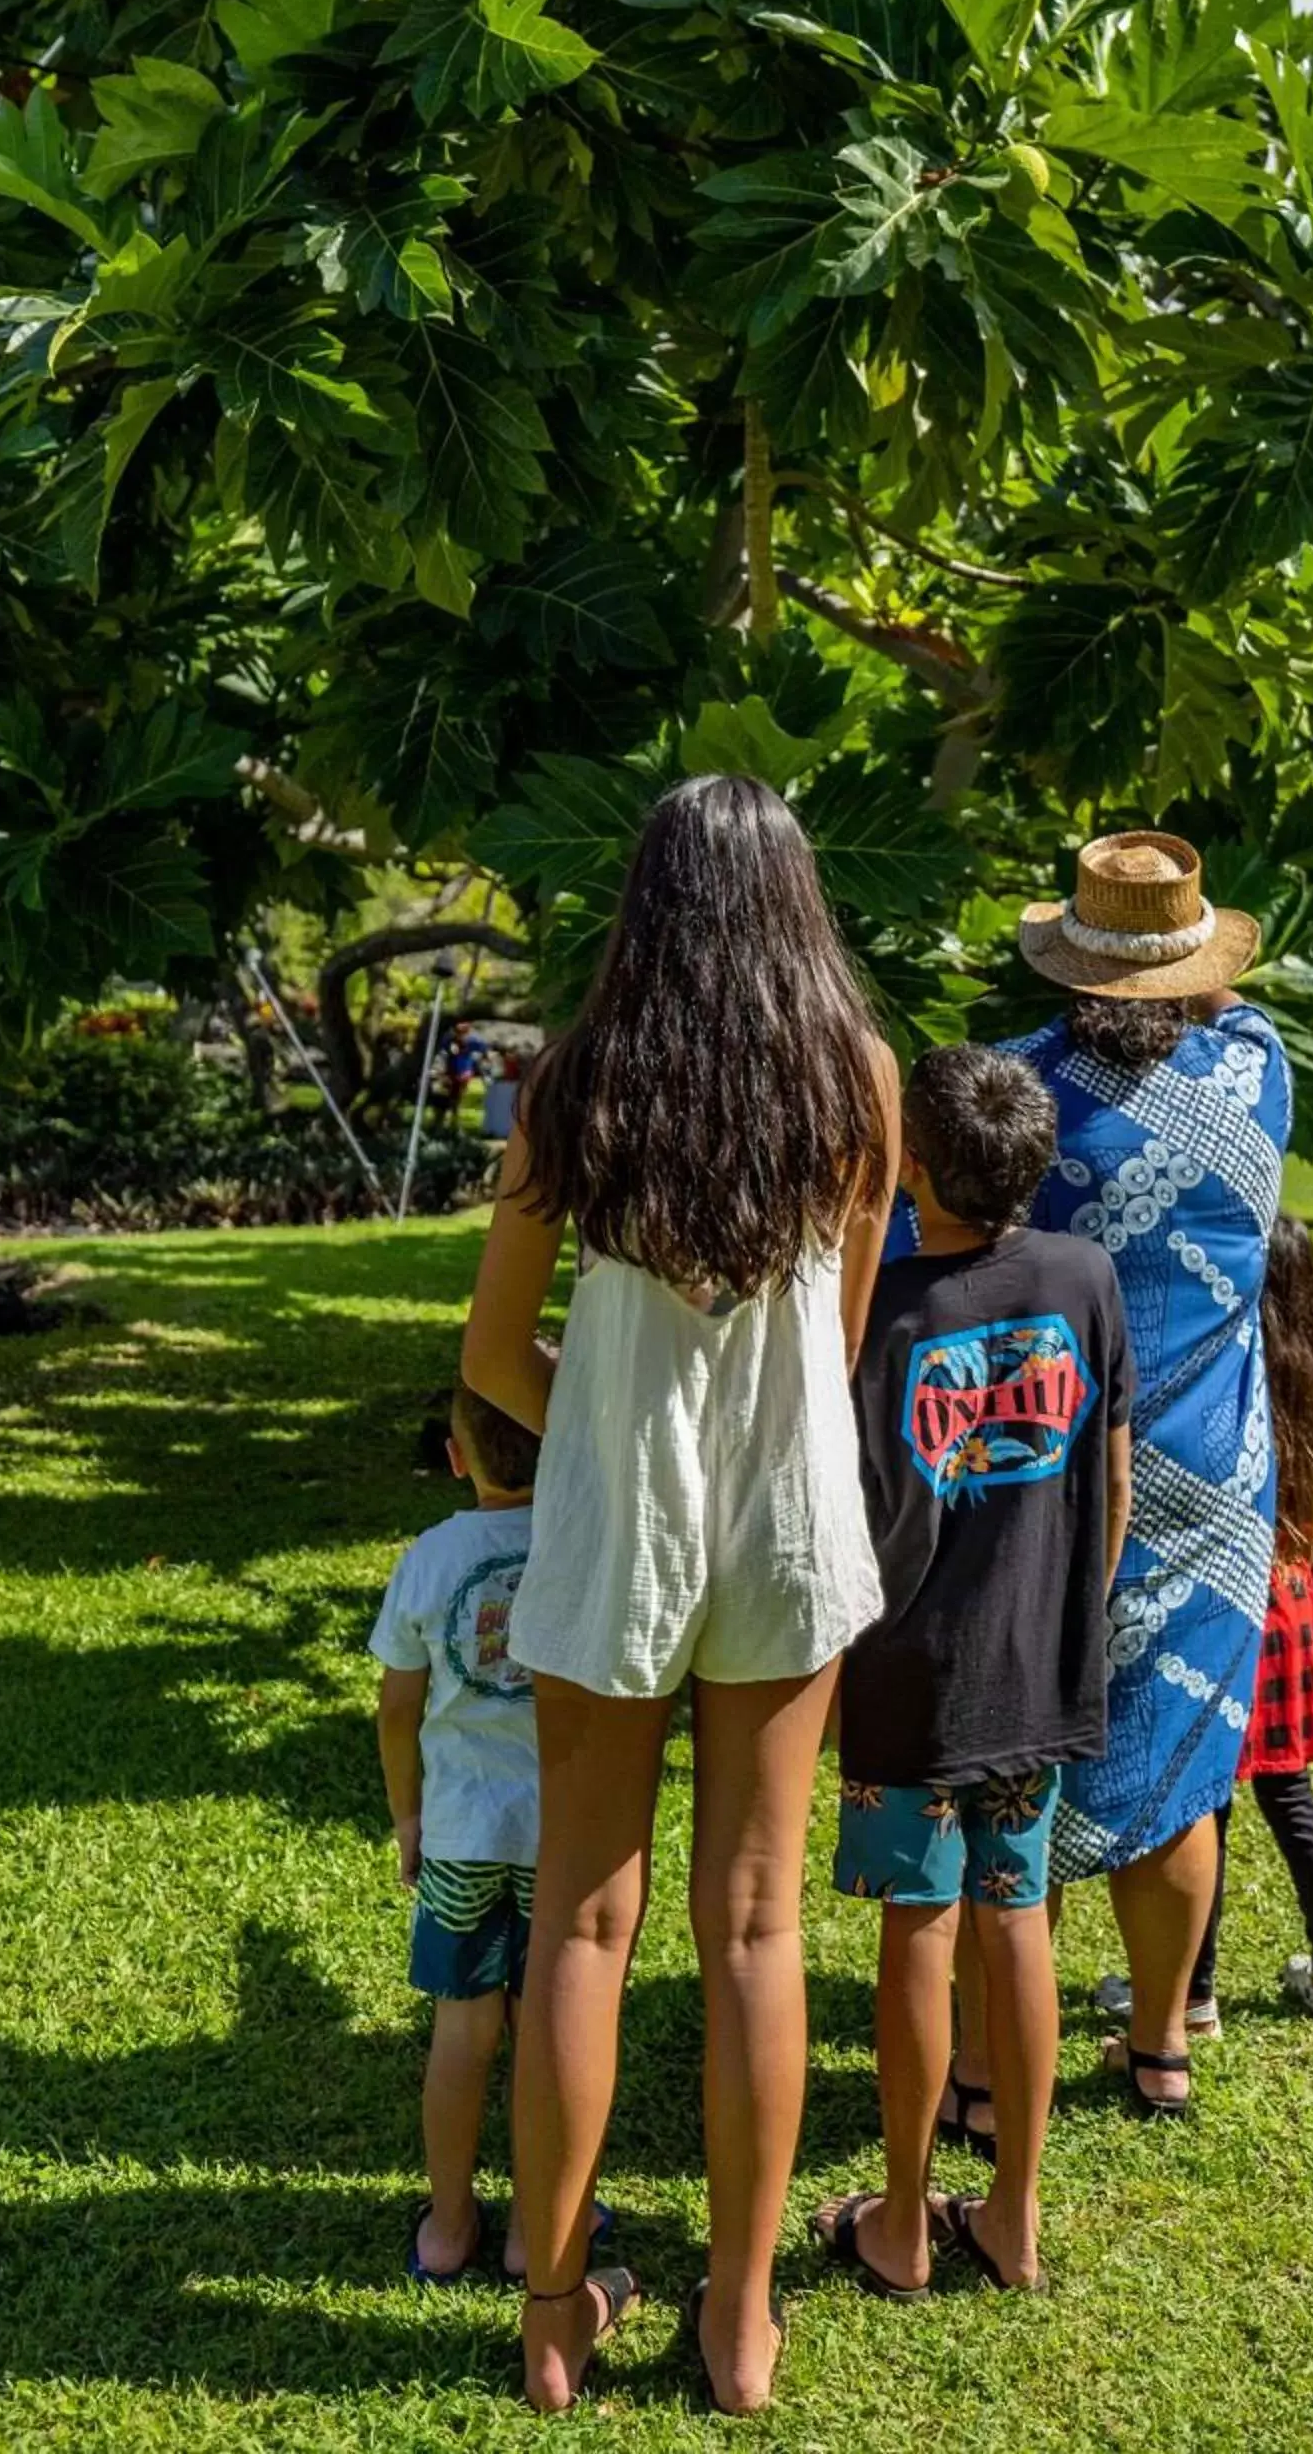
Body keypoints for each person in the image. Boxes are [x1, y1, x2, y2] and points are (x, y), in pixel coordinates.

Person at [460, 774, 898, 2417]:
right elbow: (838, 1344)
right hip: (788, 1523)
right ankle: (740, 2321)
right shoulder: (856, 1080)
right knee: (760, 1923)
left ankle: (558, 2319)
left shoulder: (576, 1086)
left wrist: (597, 1388)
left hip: (611, 1522)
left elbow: (495, 1356)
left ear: (645, 902)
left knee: (583, 1914)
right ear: (796, 903)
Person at [946, 830, 1288, 2131]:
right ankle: (1159, 2052)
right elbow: (1232, 1006)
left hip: (1043, 1475)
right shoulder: (1262, 1076)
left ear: (1069, 964)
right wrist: (1188, 965)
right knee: (1179, 1758)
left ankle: (980, 2073)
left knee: (1010, 1770)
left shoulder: (1024, 1096)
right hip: (1213, 1480)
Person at [813, 1046, 1133, 2301]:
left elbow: (855, 1520)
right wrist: (1066, 1614)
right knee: (1017, 1921)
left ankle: (899, 2225)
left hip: (912, 1677)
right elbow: (1106, 1476)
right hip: (1042, 1668)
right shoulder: (1087, 1277)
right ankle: (1013, 2216)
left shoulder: (883, 1313)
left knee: (918, 1929)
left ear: (913, 1170)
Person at [1100, 1213, 1313, 2037]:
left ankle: (1193, 1994)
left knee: (1201, 1796)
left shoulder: (1230, 1370)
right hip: (1292, 1601)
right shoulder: (1308, 1376)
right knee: (1290, 1796)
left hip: (1229, 1598)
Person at [371, 1380, 574, 2285]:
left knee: (463, 2031)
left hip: (459, 1835)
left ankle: (448, 2227)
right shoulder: (581, 1546)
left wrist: (408, 1814)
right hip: (562, 1841)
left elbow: (396, 1706)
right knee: (547, 2028)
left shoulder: (431, 1555)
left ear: (457, 1458)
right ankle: (539, 2229)